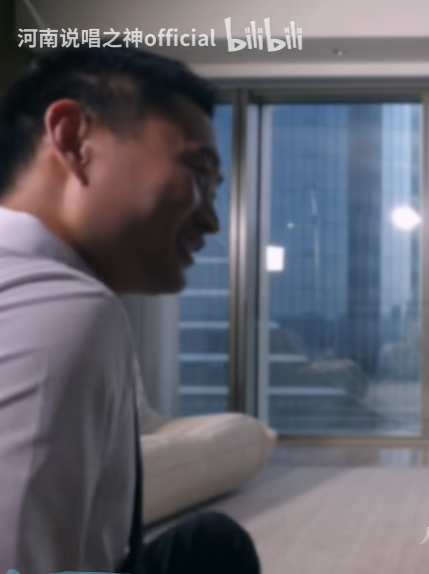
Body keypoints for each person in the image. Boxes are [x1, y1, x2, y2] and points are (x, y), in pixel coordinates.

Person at [0, 48, 260, 573]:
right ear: (74, 139)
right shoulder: (60, 307)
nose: (212, 221)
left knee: (211, 544)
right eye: (198, 171)